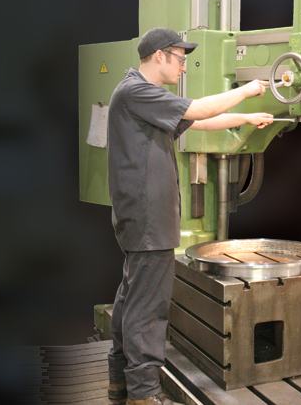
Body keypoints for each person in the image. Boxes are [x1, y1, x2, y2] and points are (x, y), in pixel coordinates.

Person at [106, 28, 273, 405]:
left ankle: (120, 382)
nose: (184, 67)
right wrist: (247, 90)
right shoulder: (135, 91)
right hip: (148, 219)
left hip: (144, 218)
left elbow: (196, 122)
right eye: (180, 59)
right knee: (148, 308)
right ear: (159, 56)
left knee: (131, 298)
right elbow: (197, 110)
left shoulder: (141, 95)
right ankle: (144, 395)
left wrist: (246, 118)